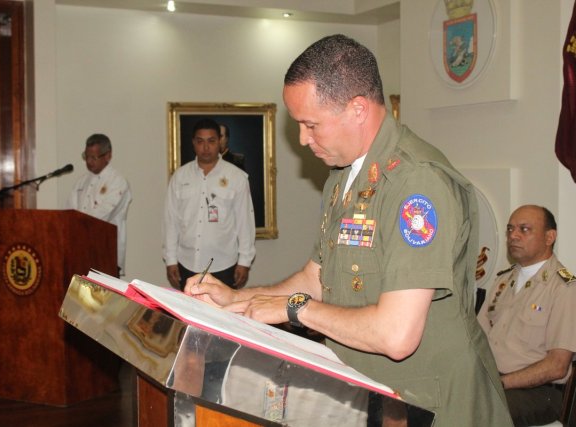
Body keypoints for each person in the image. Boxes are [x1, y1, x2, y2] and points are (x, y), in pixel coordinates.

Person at [185, 34, 513, 426]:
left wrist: (295, 310)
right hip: (373, 395)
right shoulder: (345, 178)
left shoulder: (415, 184)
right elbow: (318, 278)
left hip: (433, 404)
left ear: (357, 109)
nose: (303, 140)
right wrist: (237, 300)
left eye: (311, 125)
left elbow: (396, 334)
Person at [477, 205, 576, 426]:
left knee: (480, 413)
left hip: (540, 393)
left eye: (524, 229)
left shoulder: (564, 287)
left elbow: (557, 366)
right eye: (510, 229)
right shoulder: (503, 281)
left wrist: (501, 384)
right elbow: (477, 340)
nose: (513, 235)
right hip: (495, 382)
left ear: (550, 237)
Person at [163, 118, 256, 291]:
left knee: (222, 317)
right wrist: (170, 260)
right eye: (200, 141)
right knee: (186, 317)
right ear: (193, 143)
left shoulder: (236, 177)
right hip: (186, 263)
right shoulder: (180, 177)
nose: (206, 148)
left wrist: (244, 261)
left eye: (211, 141)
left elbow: (245, 222)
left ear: (219, 142)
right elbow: (171, 221)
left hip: (224, 266)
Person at [67, 133, 132, 275]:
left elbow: (102, 217)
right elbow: (69, 214)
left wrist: (78, 224)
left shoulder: (118, 182)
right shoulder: (80, 182)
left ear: (108, 156)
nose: (89, 162)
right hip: (80, 253)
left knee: (104, 297)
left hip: (105, 254)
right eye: (86, 157)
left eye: (93, 157)